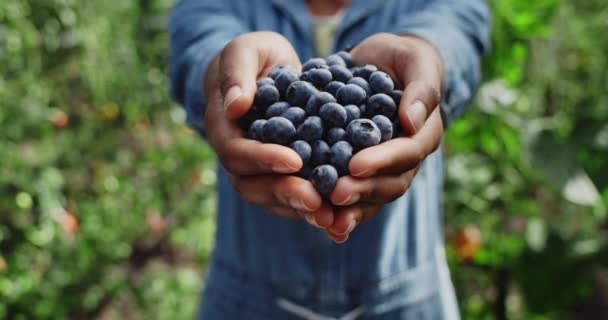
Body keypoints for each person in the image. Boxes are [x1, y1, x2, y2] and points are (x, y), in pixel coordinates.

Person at [169, 0, 490, 319]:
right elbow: (198, 32)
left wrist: (427, 55)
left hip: (407, 295)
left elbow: (458, 21)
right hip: (246, 297)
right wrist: (220, 77)